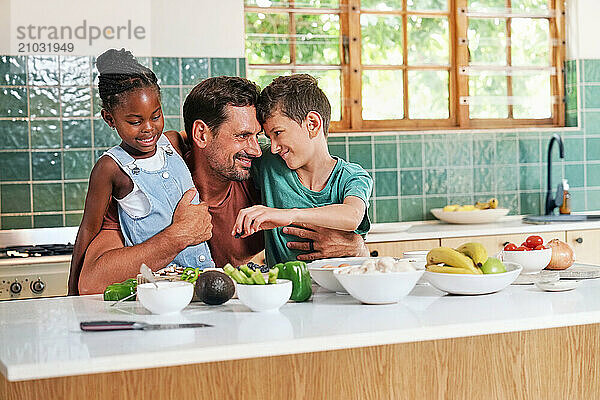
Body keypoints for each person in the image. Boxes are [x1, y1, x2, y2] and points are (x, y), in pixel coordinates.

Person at [73, 76, 369, 295]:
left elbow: (332, 217)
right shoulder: (144, 184)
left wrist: (357, 247)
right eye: (242, 136)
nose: (257, 150)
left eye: (259, 136)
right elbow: (91, 282)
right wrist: (176, 237)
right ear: (201, 134)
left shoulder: (262, 179)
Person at [232, 74, 373, 266]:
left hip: (341, 291)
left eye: (278, 133)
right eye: (269, 137)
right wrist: (177, 140)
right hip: (284, 292)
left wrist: (289, 214)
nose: (273, 147)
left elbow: (352, 216)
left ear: (312, 124)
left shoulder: (351, 176)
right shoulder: (268, 163)